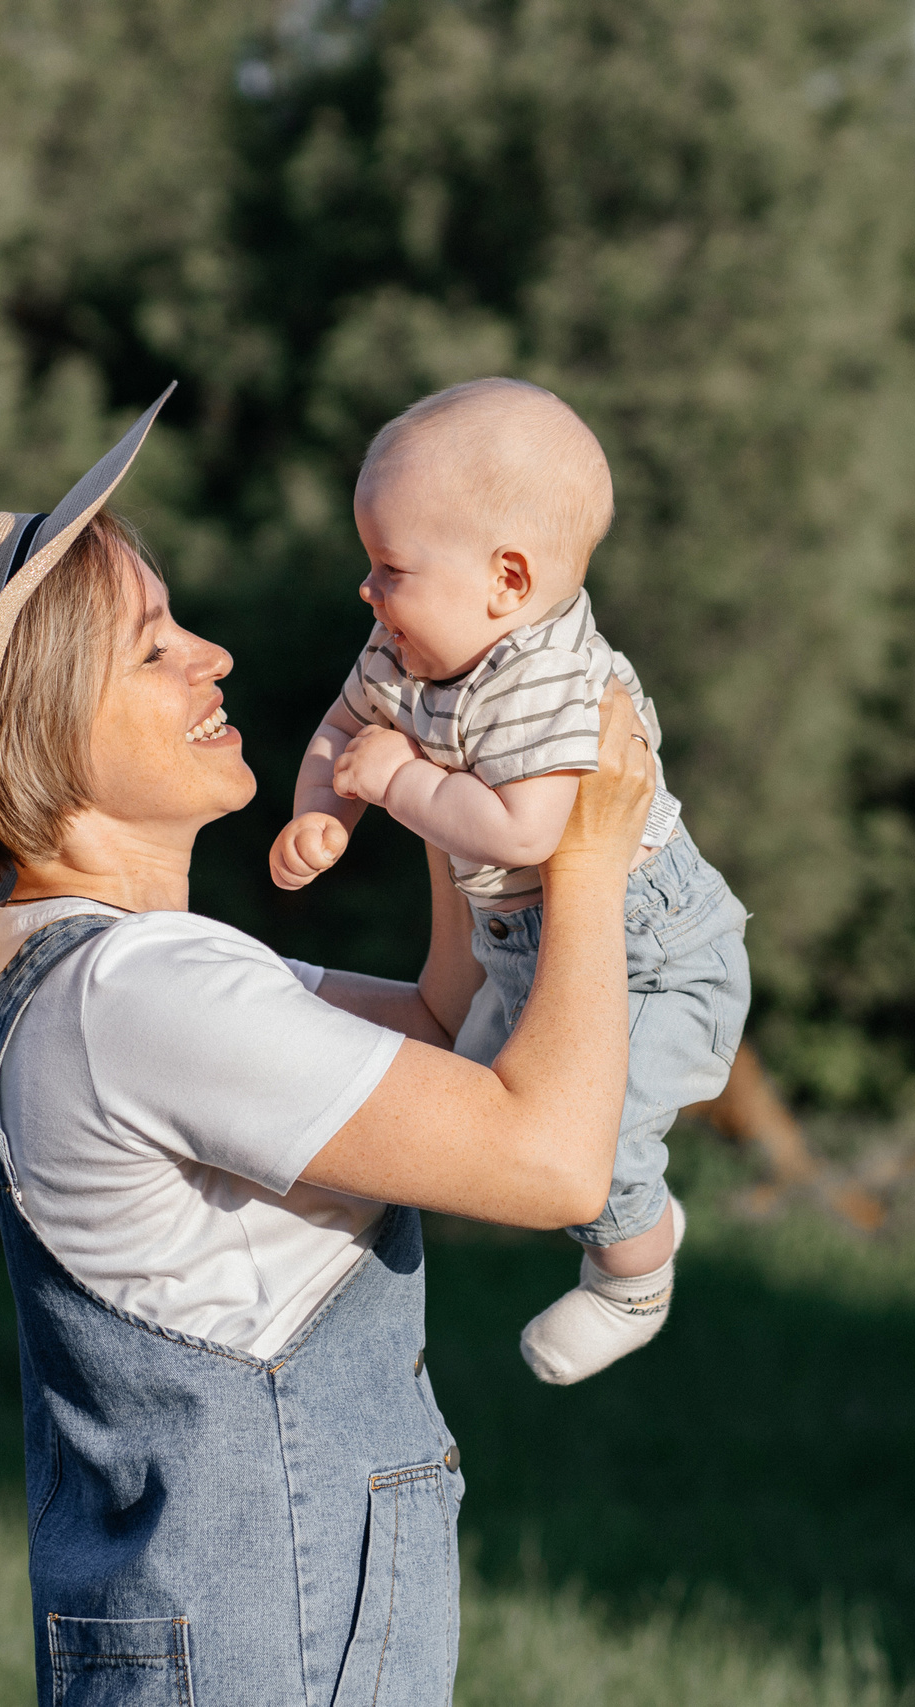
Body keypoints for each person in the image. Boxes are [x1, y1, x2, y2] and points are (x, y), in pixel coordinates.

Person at [0, 387, 658, 1706]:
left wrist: (461, 779)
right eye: (154, 646)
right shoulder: (146, 998)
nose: (212, 655)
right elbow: (556, 1160)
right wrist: (592, 861)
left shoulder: (134, 980)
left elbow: (449, 1028)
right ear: (48, 728)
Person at [268, 378, 751, 1385]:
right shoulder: (413, 645)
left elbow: (531, 832)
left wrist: (397, 784)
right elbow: (342, 728)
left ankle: (635, 1271)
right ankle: (623, 1216)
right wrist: (324, 809)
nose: (367, 591)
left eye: (390, 568)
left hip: (651, 953)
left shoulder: (542, 680)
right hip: (521, 948)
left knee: (586, 1144)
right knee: (480, 1127)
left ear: (507, 580)